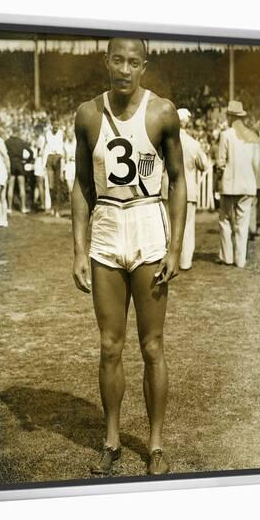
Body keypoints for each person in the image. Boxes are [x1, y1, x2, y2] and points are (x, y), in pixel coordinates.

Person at [71, 38, 186, 476]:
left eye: (133, 62)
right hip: (106, 229)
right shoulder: (86, 113)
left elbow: (177, 179)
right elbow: (82, 184)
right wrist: (79, 250)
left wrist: (174, 247)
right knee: (109, 346)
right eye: (117, 60)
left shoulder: (161, 112)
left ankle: (155, 445)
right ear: (106, 61)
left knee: (152, 345)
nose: (124, 69)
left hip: (147, 227)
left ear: (144, 66)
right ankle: (112, 441)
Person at [217, 101, 258, 267]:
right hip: (247, 184)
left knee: (225, 220)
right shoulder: (251, 135)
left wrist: (220, 172)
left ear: (231, 116)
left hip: (230, 185)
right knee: (243, 222)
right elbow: (255, 162)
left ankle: (227, 257)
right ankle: (240, 260)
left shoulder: (226, 135)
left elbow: (221, 161)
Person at [177, 108, 209, 270]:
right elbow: (204, 165)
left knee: (168, 226)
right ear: (186, 122)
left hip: (168, 188)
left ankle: (168, 259)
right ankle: (185, 262)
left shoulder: (166, 141)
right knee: (187, 227)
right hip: (188, 189)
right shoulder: (193, 143)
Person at [5, 126, 34, 214]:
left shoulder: (7, 142)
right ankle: (23, 207)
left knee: (10, 187)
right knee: (22, 187)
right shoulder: (21, 141)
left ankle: (9, 208)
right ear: (17, 132)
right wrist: (26, 162)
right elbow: (31, 152)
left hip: (11, 164)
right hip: (20, 165)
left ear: (12, 131)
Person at [44, 120, 65, 217]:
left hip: (58, 158)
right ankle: (52, 208)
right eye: (54, 126)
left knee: (57, 186)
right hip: (50, 158)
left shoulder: (61, 133)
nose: (56, 127)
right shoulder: (47, 133)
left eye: (57, 125)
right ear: (51, 125)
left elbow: (62, 148)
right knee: (51, 186)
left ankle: (57, 209)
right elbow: (46, 147)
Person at [63, 126, 77, 204]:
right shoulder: (65, 144)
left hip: (76, 165)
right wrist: (63, 170)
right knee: (70, 189)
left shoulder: (78, 142)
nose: (70, 135)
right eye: (68, 133)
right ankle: (72, 209)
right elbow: (64, 158)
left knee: (76, 190)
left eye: (71, 133)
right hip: (68, 166)